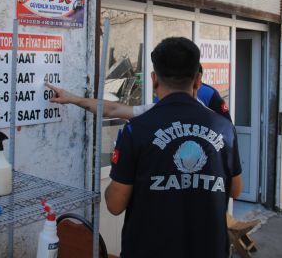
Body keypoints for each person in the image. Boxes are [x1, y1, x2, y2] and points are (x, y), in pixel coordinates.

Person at [105, 37, 242, 258]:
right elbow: (235, 189)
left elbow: (114, 204)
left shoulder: (136, 129)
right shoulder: (224, 128)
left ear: (154, 79)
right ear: (198, 80)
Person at [45, 66, 231, 121]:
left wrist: (73, 98)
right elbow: (112, 109)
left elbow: (115, 204)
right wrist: (72, 98)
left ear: (154, 79)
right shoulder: (216, 124)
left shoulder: (213, 116)